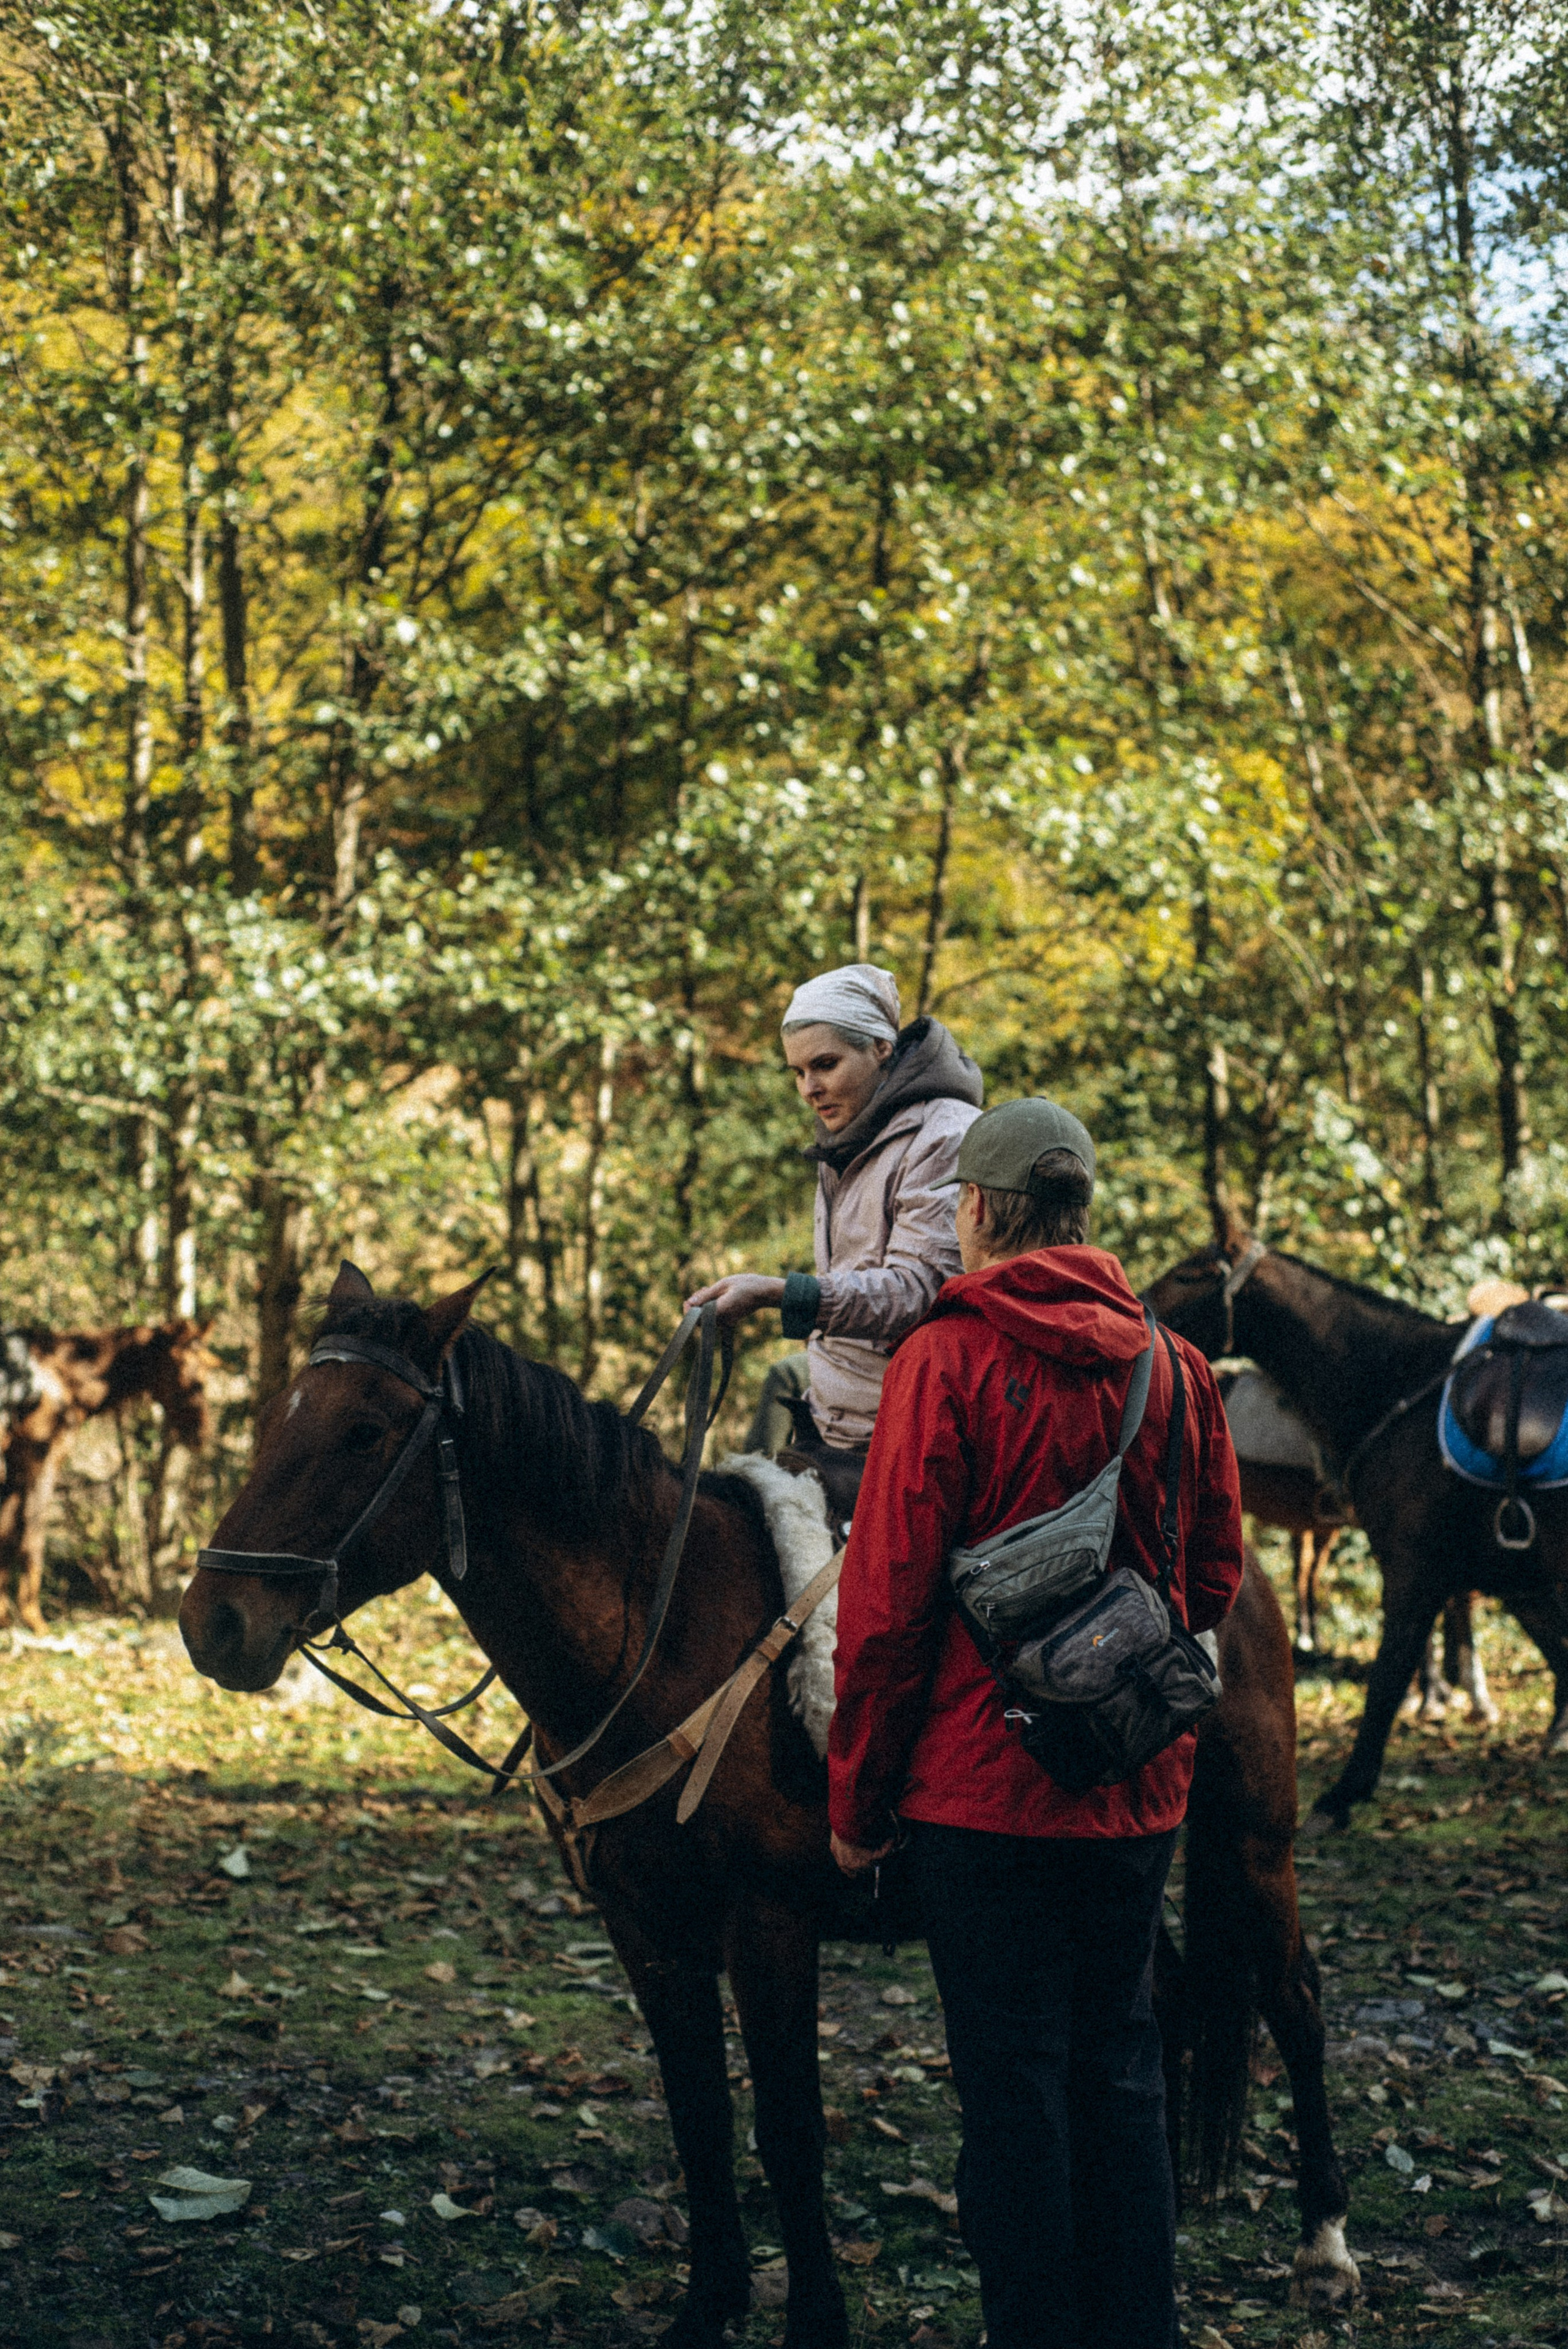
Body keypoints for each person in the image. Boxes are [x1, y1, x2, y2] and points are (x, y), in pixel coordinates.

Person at [827, 1098, 1245, 2349]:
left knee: (1009, 2092)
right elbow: (1212, 1575)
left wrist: (854, 1809)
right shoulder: (1168, 1364)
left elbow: (887, 1608)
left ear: (975, 1211)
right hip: (1133, 1784)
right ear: (1076, 1210)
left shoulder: (942, 1362)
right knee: (1118, 2069)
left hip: (976, 1795)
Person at [687, 962, 982, 1525]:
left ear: (880, 1048)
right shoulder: (851, 1130)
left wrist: (779, 1293)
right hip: (834, 1424)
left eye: (824, 1065)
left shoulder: (944, 1134)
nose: (809, 1089)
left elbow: (919, 1291)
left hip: (907, 1436)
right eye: (797, 1072)